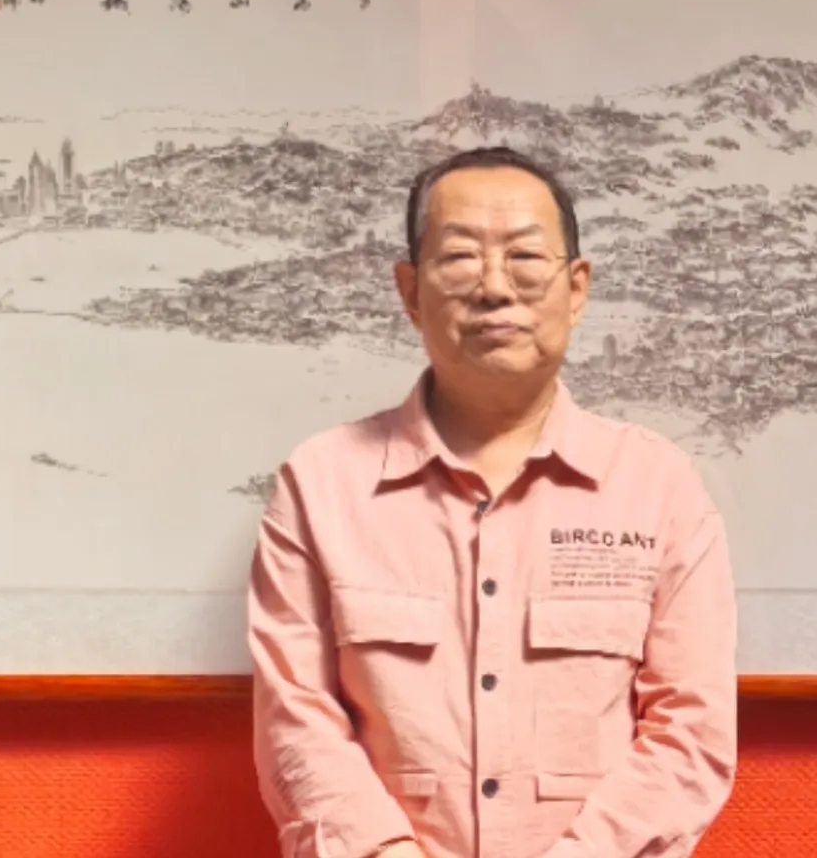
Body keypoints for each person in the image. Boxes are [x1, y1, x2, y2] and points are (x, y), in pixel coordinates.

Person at [248, 146, 737, 858]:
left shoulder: (658, 486)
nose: (494, 289)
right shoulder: (320, 485)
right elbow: (297, 724)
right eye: (459, 259)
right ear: (410, 291)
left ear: (576, 288)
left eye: (526, 258)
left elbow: (692, 732)